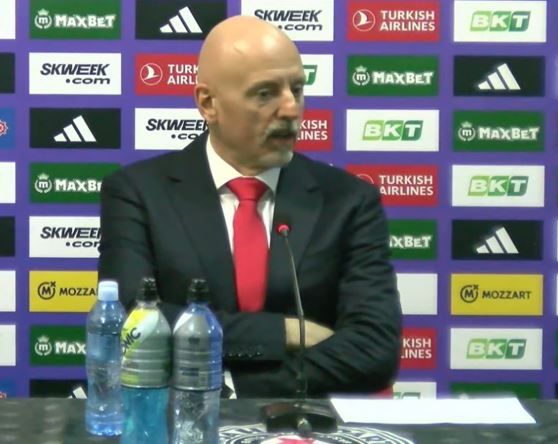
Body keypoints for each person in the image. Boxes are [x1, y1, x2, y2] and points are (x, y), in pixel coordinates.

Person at [98, 15, 401, 398]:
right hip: (175, 421)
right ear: (208, 103)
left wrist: (235, 386)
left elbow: (375, 350)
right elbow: (133, 324)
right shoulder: (138, 192)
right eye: (265, 93)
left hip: (303, 423)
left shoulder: (348, 201)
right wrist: (286, 331)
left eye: (297, 88)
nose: (291, 109)